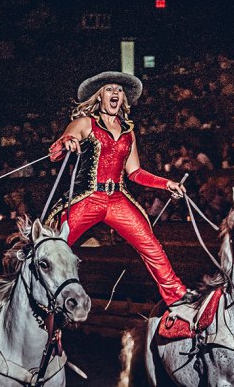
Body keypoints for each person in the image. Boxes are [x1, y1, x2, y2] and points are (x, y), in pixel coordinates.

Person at [46, 71, 196, 309]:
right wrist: (67, 142)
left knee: (150, 244)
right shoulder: (86, 123)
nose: (115, 93)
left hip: (117, 198)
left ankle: (176, 294)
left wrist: (167, 184)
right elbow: (54, 154)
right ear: (99, 97)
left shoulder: (128, 131)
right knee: (55, 244)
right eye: (109, 89)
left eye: (118, 90)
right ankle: (39, 292)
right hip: (88, 197)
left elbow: (135, 172)